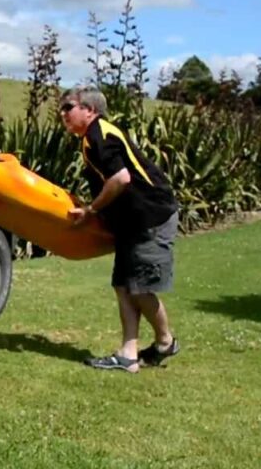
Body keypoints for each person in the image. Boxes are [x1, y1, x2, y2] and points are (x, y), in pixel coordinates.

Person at [59, 84, 181, 373]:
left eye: (68, 107)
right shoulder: (94, 136)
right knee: (123, 286)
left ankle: (165, 341)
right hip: (133, 221)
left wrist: (91, 209)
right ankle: (128, 354)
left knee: (138, 289)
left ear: (89, 110)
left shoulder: (99, 135)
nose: (62, 113)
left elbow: (121, 178)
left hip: (150, 217)